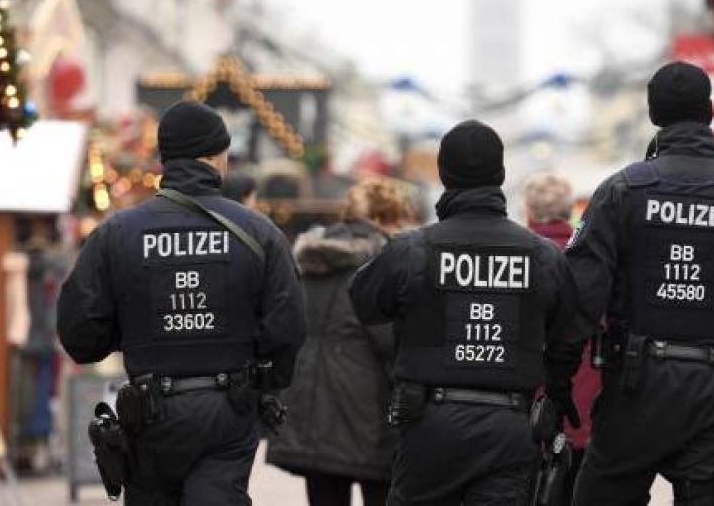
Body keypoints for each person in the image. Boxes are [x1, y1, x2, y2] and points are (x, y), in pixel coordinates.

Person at [57, 100, 306, 505]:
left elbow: (80, 334)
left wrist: (133, 330)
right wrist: (262, 384)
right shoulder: (257, 232)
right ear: (215, 156)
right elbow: (288, 326)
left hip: (149, 415)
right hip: (227, 410)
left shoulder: (117, 233)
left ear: (165, 158)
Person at [567, 61, 714, 505]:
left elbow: (578, 299)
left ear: (654, 114)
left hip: (634, 386)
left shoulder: (621, 192)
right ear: (709, 112)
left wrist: (557, 382)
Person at [350, 121, 582, 505]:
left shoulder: (413, 250)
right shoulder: (542, 257)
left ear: (443, 174)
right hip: (510, 428)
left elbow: (364, 302)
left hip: (428, 425)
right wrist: (555, 395)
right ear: (502, 175)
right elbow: (570, 335)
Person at [267, 178, 415, 506]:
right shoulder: (381, 264)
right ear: (382, 218)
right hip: (368, 416)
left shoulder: (308, 260)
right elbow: (393, 346)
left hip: (310, 413)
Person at [524, 172, 599, 501]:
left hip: (525, 411)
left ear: (528, 210)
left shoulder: (515, 255)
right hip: (582, 410)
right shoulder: (592, 258)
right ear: (570, 212)